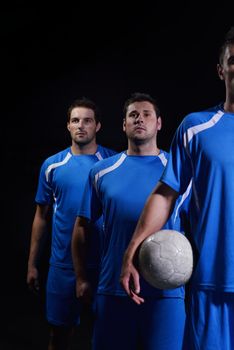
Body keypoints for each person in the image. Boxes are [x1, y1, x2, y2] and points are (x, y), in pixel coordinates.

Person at [120, 27, 234, 350]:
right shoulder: (196, 129)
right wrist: (131, 252)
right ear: (221, 69)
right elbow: (165, 195)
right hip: (212, 286)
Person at [72, 92, 190, 350]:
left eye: (147, 114)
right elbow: (81, 228)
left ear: (159, 123)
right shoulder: (102, 172)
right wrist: (81, 277)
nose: (140, 119)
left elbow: (199, 227)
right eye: (133, 115)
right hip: (113, 289)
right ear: (124, 124)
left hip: (166, 295)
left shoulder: (180, 171)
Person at [27, 97, 116, 350]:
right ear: (67, 126)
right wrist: (32, 264)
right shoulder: (53, 166)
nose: (81, 126)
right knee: (59, 337)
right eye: (75, 120)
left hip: (104, 267)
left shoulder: (113, 162)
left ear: (97, 126)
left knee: (107, 338)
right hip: (62, 266)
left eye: (87, 121)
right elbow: (41, 218)